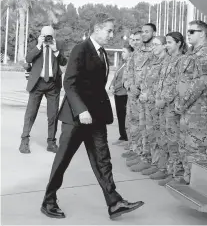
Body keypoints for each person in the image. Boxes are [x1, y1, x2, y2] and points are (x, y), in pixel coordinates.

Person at [41, 13, 144, 219]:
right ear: (97, 29)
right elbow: (69, 83)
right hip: (76, 117)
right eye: (109, 30)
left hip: (95, 117)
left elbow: (97, 87)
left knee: (103, 159)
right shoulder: (81, 49)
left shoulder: (102, 52)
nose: (111, 34)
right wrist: (82, 110)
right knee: (63, 160)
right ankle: (48, 200)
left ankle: (114, 202)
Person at [173, 20, 207, 184]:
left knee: (195, 148)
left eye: (192, 31)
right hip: (186, 109)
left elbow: (199, 85)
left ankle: (197, 182)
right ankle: (187, 177)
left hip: (197, 110)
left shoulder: (204, 56)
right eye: (188, 31)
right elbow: (182, 82)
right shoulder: (189, 55)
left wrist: (181, 103)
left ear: (203, 34)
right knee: (184, 145)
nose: (188, 34)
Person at [19, 26, 67, 154]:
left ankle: (51, 143)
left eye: (50, 35)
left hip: (53, 84)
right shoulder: (35, 44)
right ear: (41, 35)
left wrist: (55, 50)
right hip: (37, 83)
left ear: (54, 35)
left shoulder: (58, 44)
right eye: (45, 35)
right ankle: (24, 140)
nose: (47, 38)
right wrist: (39, 46)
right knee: (30, 113)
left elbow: (64, 62)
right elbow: (28, 59)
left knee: (53, 115)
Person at [123, 23, 157, 173]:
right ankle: (137, 151)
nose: (144, 34)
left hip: (148, 96)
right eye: (142, 32)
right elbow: (129, 72)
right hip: (134, 95)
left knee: (148, 128)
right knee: (135, 123)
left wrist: (144, 89)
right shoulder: (137, 52)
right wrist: (130, 85)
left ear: (154, 32)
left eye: (147, 32)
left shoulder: (156, 50)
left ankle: (148, 157)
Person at [153, 32, 187, 185]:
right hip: (163, 106)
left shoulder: (182, 60)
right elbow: (162, 82)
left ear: (179, 43)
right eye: (165, 42)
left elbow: (177, 84)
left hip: (173, 106)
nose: (166, 45)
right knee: (165, 138)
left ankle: (177, 173)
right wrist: (158, 98)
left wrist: (164, 99)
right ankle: (168, 169)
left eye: (169, 42)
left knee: (175, 141)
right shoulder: (168, 60)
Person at [138, 36, 168, 178]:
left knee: (159, 136)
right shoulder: (153, 61)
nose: (153, 47)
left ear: (164, 46)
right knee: (150, 133)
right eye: (152, 45)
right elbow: (147, 81)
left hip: (158, 104)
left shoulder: (167, 62)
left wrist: (149, 96)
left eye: (156, 45)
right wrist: (143, 93)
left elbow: (163, 85)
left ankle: (160, 166)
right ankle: (153, 161)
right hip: (148, 103)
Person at [108, 44, 134, 145]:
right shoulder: (122, 64)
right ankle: (122, 135)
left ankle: (126, 136)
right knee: (119, 115)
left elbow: (124, 80)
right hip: (117, 93)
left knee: (124, 116)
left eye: (124, 52)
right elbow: (116, 76)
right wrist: (111, 85)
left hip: (123, 94)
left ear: (130, 53)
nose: (122, 54)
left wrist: (115, 87)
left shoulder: (130, 65)